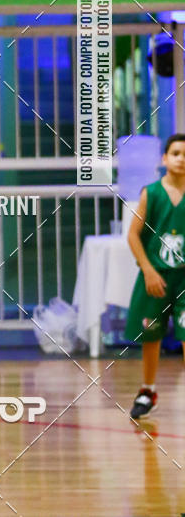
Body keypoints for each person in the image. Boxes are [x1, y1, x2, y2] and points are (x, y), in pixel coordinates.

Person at [126, 133, 185, 420]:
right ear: (164, 158)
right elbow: (133, 235)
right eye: (176, 153)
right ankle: (148, 391)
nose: (181, 158)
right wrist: (148, 270)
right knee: (152, 335)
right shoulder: (151, 193)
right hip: (157, 277)